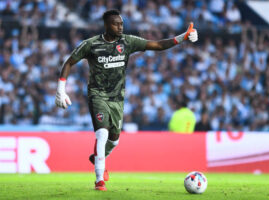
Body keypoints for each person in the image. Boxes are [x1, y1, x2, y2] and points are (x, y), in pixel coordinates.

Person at [55, 9, 198, 191]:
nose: (120, 26)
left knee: (114, 141)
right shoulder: (90, 44)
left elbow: (158, 45)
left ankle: (98, 157)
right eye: (116, 23)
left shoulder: (127, 42)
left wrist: (182, 37)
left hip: (117, 98)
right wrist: (61, 89)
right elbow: (69, 62)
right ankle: (99, 180)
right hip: (97, 95)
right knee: (102, 134)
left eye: (121, 23)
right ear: (107, 25)